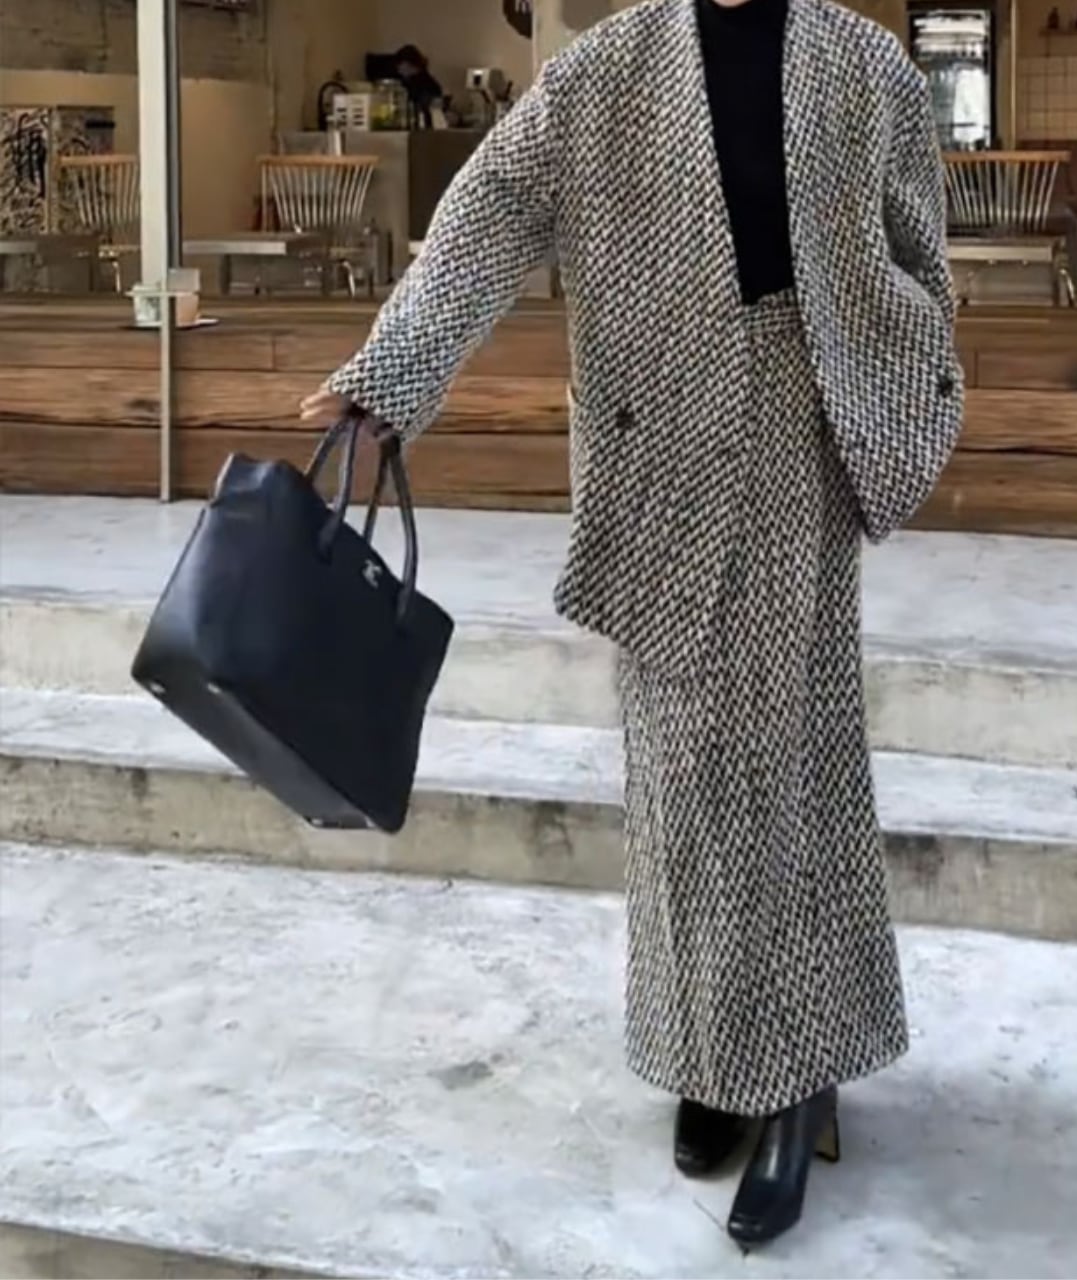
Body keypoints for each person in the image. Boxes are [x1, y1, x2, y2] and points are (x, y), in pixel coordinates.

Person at [302, 0, 963, 1248]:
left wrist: (877, 369)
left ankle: (789, 1075)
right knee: (674, 761)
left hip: (796, 434)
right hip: (654, 438)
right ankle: (709, 1049)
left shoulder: (863, 62)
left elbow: (917, 259)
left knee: (777, 755)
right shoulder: (605, 68)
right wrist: (392, 379)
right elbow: (489, 212)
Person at [392, 44, 444, 122]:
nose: (398, 69)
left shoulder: (426, 84)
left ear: (408, 64)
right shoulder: (428, 82)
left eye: (400, 65)